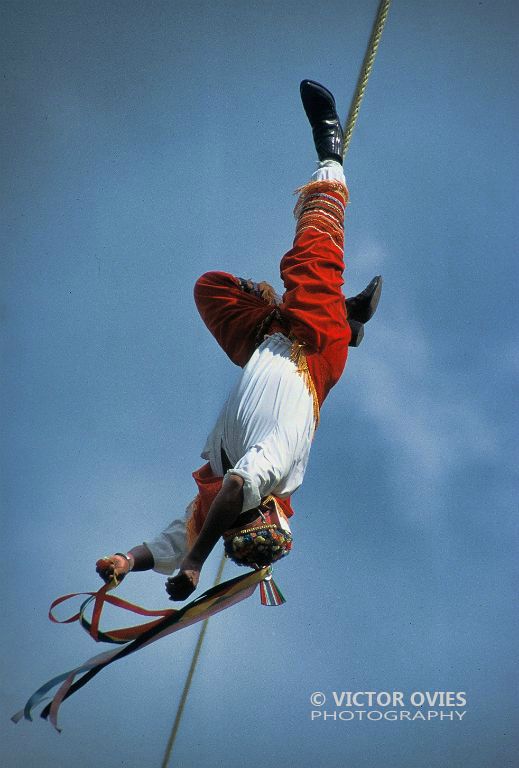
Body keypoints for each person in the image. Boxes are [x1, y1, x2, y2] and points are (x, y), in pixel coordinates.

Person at [96, 80, 382, 600]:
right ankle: (330, 153)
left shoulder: (219, 503)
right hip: (311, 350)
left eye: (238, 528)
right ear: (270, 512)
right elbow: (230, 494)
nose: (244, 517)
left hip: (269, 336)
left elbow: (173, 538)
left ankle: (349, 316)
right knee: (312, 256)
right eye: (252, 519)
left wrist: (125, 561)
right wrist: (197, 565)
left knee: (211, 289)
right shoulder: (273, 473)